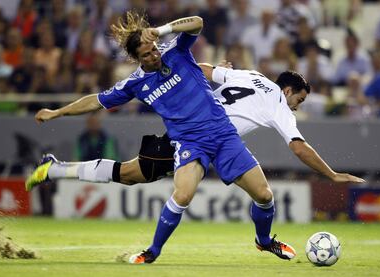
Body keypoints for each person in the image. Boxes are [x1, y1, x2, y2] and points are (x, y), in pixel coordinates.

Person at [27, 11, 301, 264]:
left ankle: (264, 241)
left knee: (264, 194)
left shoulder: (176, 52)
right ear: (136, 58)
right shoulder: (135, 83)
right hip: (187, 143)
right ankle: (152, 251)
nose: (154, 56)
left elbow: (198, 22)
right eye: (146, 54)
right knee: (175, 191)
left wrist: (161, 30)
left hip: (222, 135)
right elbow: (96, 101)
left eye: (153, 50)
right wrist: (58, 112)